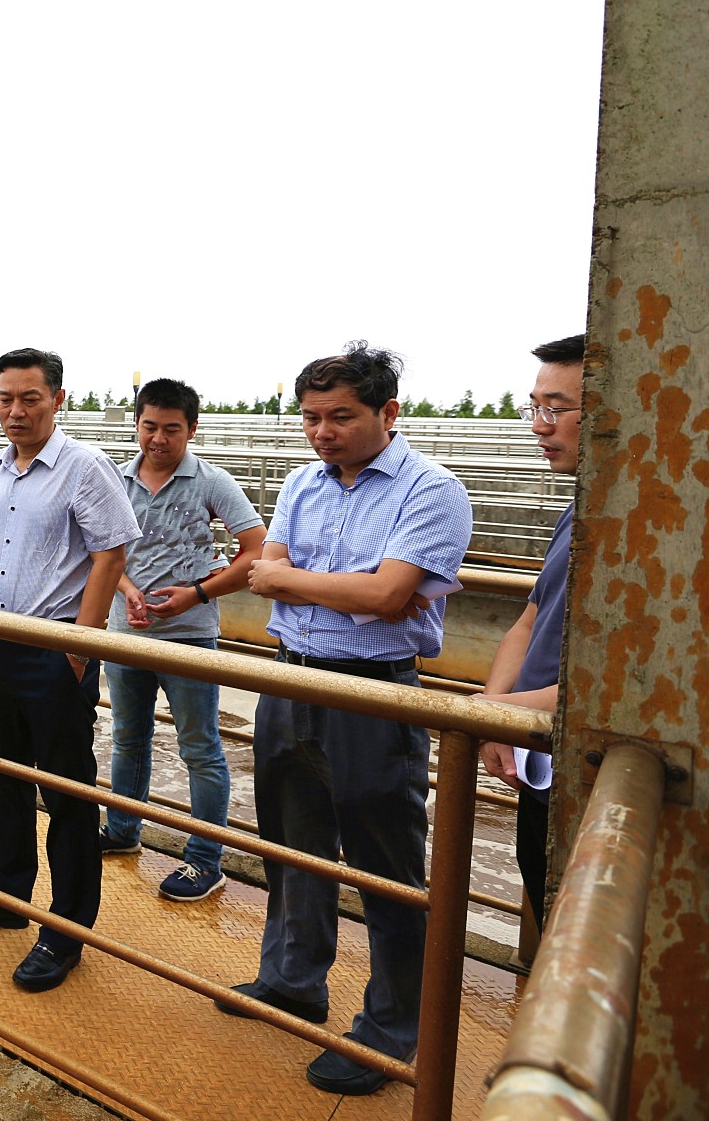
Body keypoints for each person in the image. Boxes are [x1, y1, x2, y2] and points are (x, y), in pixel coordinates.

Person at [228, 342, 473, 1097]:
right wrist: (334, 586)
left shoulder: (431, 489)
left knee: (386, 864)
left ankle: (392, 1031)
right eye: (311, 417)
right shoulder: (302, 481)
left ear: (387, 412)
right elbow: (266, 572)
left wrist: (299, 581)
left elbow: (388, 595)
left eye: (340, 416)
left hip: (375, 694)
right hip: (290, 677)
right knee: (291, 842)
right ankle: (292, 979)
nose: (322, 432)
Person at [0, 348, 141, 994]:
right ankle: (4, 893)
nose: (16, 411)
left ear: (57, 399)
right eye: (6, 399)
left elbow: (111, 553)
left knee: (66, 793)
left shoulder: (85, 466)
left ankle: (65, 930)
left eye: (30, 398)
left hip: (52, 649)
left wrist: (78, 647)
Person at [99, 377, 266, 901]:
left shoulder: (212, 481)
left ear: (191, 429)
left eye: (172, 429)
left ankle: (204, 860)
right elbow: (98, 547)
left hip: (190, 638)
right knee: (128, 738)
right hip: (125, 634)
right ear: (136, 424)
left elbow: (257, 549)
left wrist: (197, 594)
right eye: (149, 426)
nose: (158, 439)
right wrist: (126, 589)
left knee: (200, 748)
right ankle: (122, 830)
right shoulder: (115, 479)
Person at [478, 334, 585, 927]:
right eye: (535, 407)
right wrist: (497, 710)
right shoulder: (581, 507)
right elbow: (529, 619)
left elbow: (615, 686)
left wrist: (496, 713)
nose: (540, 426)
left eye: (557, 409)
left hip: (589, 769)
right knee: (544, 897)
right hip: (544, 755)